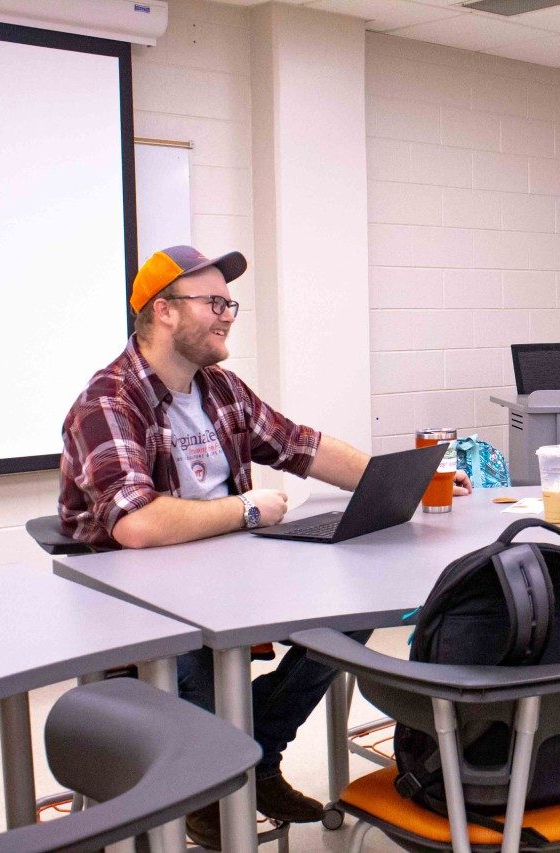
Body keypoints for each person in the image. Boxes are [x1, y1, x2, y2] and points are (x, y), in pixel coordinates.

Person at [58, 245, 471, 849]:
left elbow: (303, 446)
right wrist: (248, 509)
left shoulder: (220, 389)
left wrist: (395, 476)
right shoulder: (110, 401)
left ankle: (248, 758)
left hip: (231, 580)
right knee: (201, 662)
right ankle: (210, 784)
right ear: (164, 311)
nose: (228, 314)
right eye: (214, 302)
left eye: (231, 303)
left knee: (354, 614)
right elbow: (137, 524)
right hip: (142, 606)